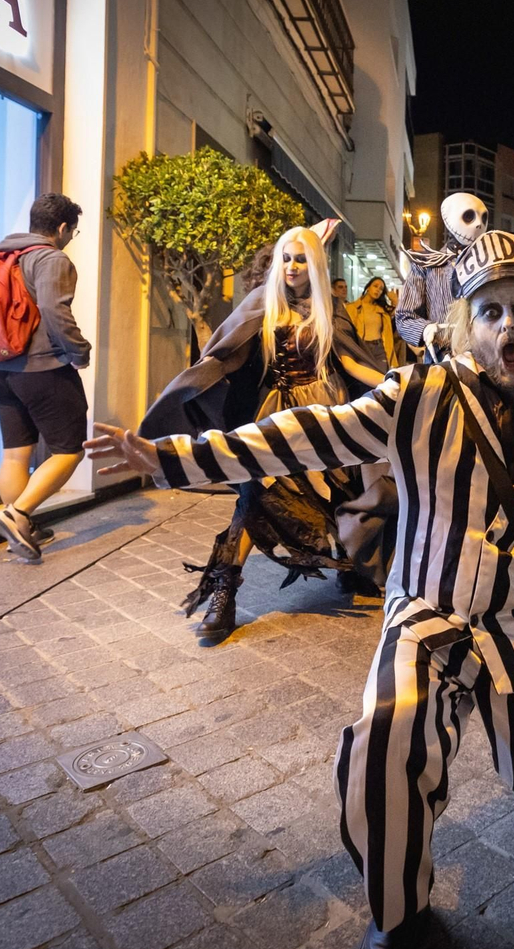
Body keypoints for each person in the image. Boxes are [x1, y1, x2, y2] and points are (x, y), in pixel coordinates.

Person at [85, 229, 514, 949]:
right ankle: (396, 920)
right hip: (427, 613)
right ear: (468, 322)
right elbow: (309, 433)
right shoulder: (421, 395)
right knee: (384, 746)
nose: (508, 325)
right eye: (492, 310)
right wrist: (174, 456)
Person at [139, 226, 391, 645]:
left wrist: (395, 385)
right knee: (255, 494)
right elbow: (230, 354)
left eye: (300, 259)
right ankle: (224, 590)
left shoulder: (330, 307)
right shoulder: (262, 301)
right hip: (273, 411)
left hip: (324, 408)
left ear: (315, 264)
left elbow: (349, 361)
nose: (291, 267)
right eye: (286, 258)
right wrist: (198, 383)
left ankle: (350, 566)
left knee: (339, 491)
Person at [0, 193, 92, 561]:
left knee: (16, 454)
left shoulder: (2, 257)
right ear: (62, 228)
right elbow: (53, 310)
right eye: (72, 231)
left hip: (1, 369)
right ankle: (16, 515)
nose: (70, 238)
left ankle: (20, 529)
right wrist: (79, 351)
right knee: (69, 450)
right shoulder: (51, 258)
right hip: (42, 369)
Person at [394, 192, 489, 357]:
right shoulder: (426, 265)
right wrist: (425, 329)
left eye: (484, 218)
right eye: (469, 216)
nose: (479, 224)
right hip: (442, 358)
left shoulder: (490, 266)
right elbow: (404, 317)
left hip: (484, 358)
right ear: (449, 217)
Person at [347, 277, 402, 370]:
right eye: (375, 286)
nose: (378, 290)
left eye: (381, 289)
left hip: (379, 348)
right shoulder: (353, 308)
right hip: (362, 347)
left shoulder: (382, 310)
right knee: (364, 377)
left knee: (382, 376)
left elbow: (397, 312)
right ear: (368, 287)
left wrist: (394, 299)